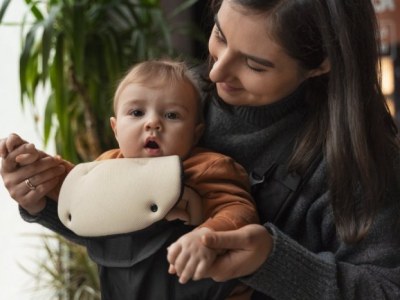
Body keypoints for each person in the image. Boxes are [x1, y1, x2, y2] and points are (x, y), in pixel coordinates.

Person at [1, 0, 400, 299]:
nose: (215, 72)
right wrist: (46, 198)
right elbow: (126, 229)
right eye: (220, 35)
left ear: (322, 63)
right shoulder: (178, 101)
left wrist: (273, 261)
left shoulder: (360, 159)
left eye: (255, 65)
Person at [1, 59, 258, 299]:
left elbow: (238, 211)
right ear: (115, 128)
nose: (153, 123)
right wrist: (32, 161)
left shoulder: (207, 167)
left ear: (195, 133)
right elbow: (70, 186)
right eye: (136, 113)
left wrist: (208, 236)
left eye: (172, 115)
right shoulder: (107, 165)